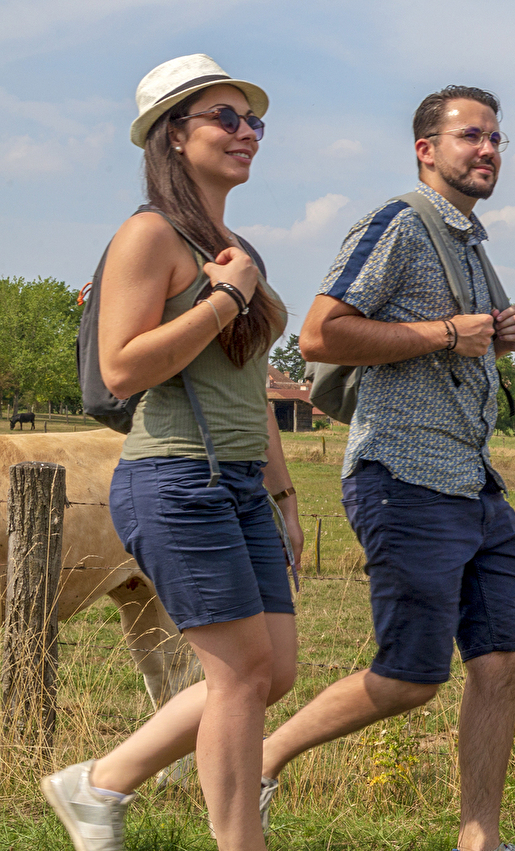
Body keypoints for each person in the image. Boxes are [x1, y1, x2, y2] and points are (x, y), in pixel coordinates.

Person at [261, 86, 515, 851]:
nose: (487, 151)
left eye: (496, 141)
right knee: (413, 676)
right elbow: (321, 335)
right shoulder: (399, 224)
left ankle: (478, 839)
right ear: (427, 149)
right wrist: (448, 332)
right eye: (470, 138)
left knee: (503, 657)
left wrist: (503, 331)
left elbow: (463, 341)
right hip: (403, 476)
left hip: (475, 481)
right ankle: (262, 759)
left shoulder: (470, 242)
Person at [42, 55, 301, 851]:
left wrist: (283, 495)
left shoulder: (230, 241)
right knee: (237, 681)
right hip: (174, 477)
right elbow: (123, 367)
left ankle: (102, 782)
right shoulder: (149, 235)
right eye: (226, 118)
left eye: (253, 120)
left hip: (240, 486)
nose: (247, 132)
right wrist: (229, 296)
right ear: (172, 135)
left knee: (272, 673)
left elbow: (248, 385)